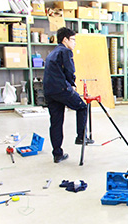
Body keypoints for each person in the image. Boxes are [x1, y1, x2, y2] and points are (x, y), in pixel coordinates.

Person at [44, 27, 92, 163]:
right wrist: (72, 84)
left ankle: (57, 154)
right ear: (65, 39)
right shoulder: (65, 51)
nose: (75, 43)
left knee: (56, 122)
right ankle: (81, 136)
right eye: (73, 40)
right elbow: (70, 70)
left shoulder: (52, 52)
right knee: (82, 107)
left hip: (49, 91)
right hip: (61, 88)